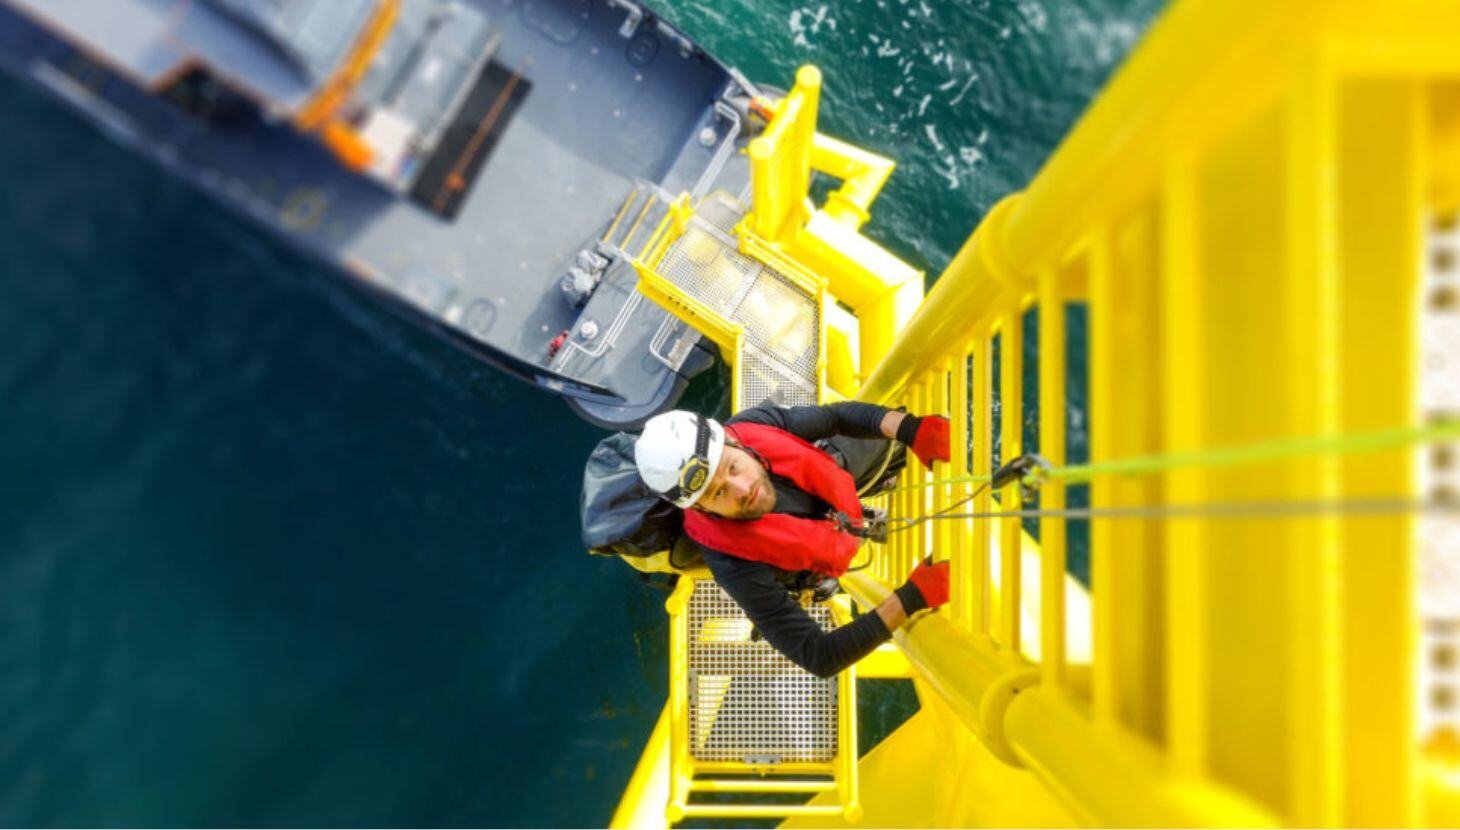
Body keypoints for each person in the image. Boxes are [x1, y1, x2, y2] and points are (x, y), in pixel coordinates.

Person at [634, 402, 951, 678]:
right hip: (793, 556)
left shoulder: (754, 425)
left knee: (877, 435)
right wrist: (911, 597)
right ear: (701, 508)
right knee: (812, 578)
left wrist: (911, 429)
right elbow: (819, 655)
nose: (742, 488)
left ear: (734, 441)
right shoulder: (733, 565)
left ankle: (873, 487)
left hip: (822, 497)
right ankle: (823, 567)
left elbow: (834, 418)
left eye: (733, 467)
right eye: (719, 492)